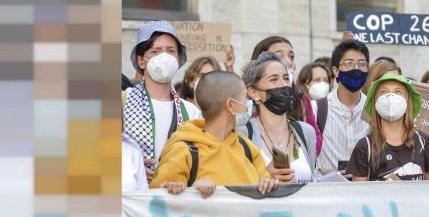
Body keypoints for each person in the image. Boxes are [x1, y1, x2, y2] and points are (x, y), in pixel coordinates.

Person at [150, 70, 279, 197]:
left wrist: (267, 184)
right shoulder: (182, 150)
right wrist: (191, 192)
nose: (249, 104)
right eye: (245, 98)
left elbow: (266, 193)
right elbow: (158, 203)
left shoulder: (247, 147)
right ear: (231, 105)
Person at [123, 20, 202, 184]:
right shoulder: (122, 101)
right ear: (141, 61)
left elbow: (200, 157)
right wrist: (130, 166)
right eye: (155, 51)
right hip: (132, 200)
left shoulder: (190, 111)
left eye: (171, 51)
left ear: (178, 58)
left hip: (176, 197)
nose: (164, 57)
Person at [241, 52, 317, 184]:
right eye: (273, 79)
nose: (284, 85)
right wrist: (264, 176)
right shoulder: (243, 136)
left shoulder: (306, 132)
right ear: (254, 93)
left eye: (286, 78)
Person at [347, 74, 429, 181]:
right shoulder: (365, 147)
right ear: (375, 102)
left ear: (408, 102)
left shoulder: (422, 141)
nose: (390, 97)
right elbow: (359, 193)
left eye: (398, 92)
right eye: (383, 92)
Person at [251, 36, 322, 156]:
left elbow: (315, 133)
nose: (288, 62)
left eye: (291, 57)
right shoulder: (246, 111)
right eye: (279, 56)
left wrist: (310, 154)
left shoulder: (301, 98)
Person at [315, 39, 371, 176]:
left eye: (362, 63)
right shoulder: (317, 109)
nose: (356, 68)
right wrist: (328, 174)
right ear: (336, 71)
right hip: (329, 191)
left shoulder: (374, 110)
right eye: (349, 63)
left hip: (366, 191)